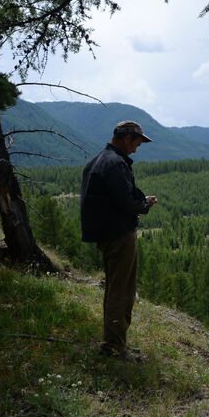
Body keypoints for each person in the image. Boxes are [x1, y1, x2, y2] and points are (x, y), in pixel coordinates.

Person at [80, 120, 157, 360]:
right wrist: (145, 205)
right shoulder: (115, 163)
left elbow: (114, 196)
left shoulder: (98, 160)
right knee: (121, 290)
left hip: (105, 233)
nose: (137, 148)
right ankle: (114, 347)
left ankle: (115, 341)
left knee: (115, 287)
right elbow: (126, 202)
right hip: (119, 234)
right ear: (127, 139)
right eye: (137, 143)